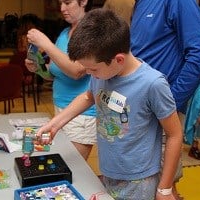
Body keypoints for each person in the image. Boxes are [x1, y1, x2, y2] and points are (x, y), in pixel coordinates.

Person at [37, 9, 183, 199]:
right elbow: (89, 96)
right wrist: (55, 123)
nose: (89, 73)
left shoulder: (152, 84)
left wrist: (165, 188)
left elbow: (175, 134)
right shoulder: (102, 73)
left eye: (93, 69)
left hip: (139, 179)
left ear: (118, 59)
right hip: (109, 170)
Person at [130, 1, 200, 198]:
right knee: (145, 183)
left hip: (162, 112)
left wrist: (169, 104)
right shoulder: (140, 3)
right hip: (139, 110)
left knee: (164, 186)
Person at [25, 0, 96, 160]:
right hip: (59, 109)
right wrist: (38, 67)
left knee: (73, 169)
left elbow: (77, 70)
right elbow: (53, 72)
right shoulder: (64, 33)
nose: (62, 9)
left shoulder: (92, 31)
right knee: (59, 164)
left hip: (81, 115)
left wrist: (46, 43)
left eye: (68, 2)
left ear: (83, 1)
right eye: (60, 3)